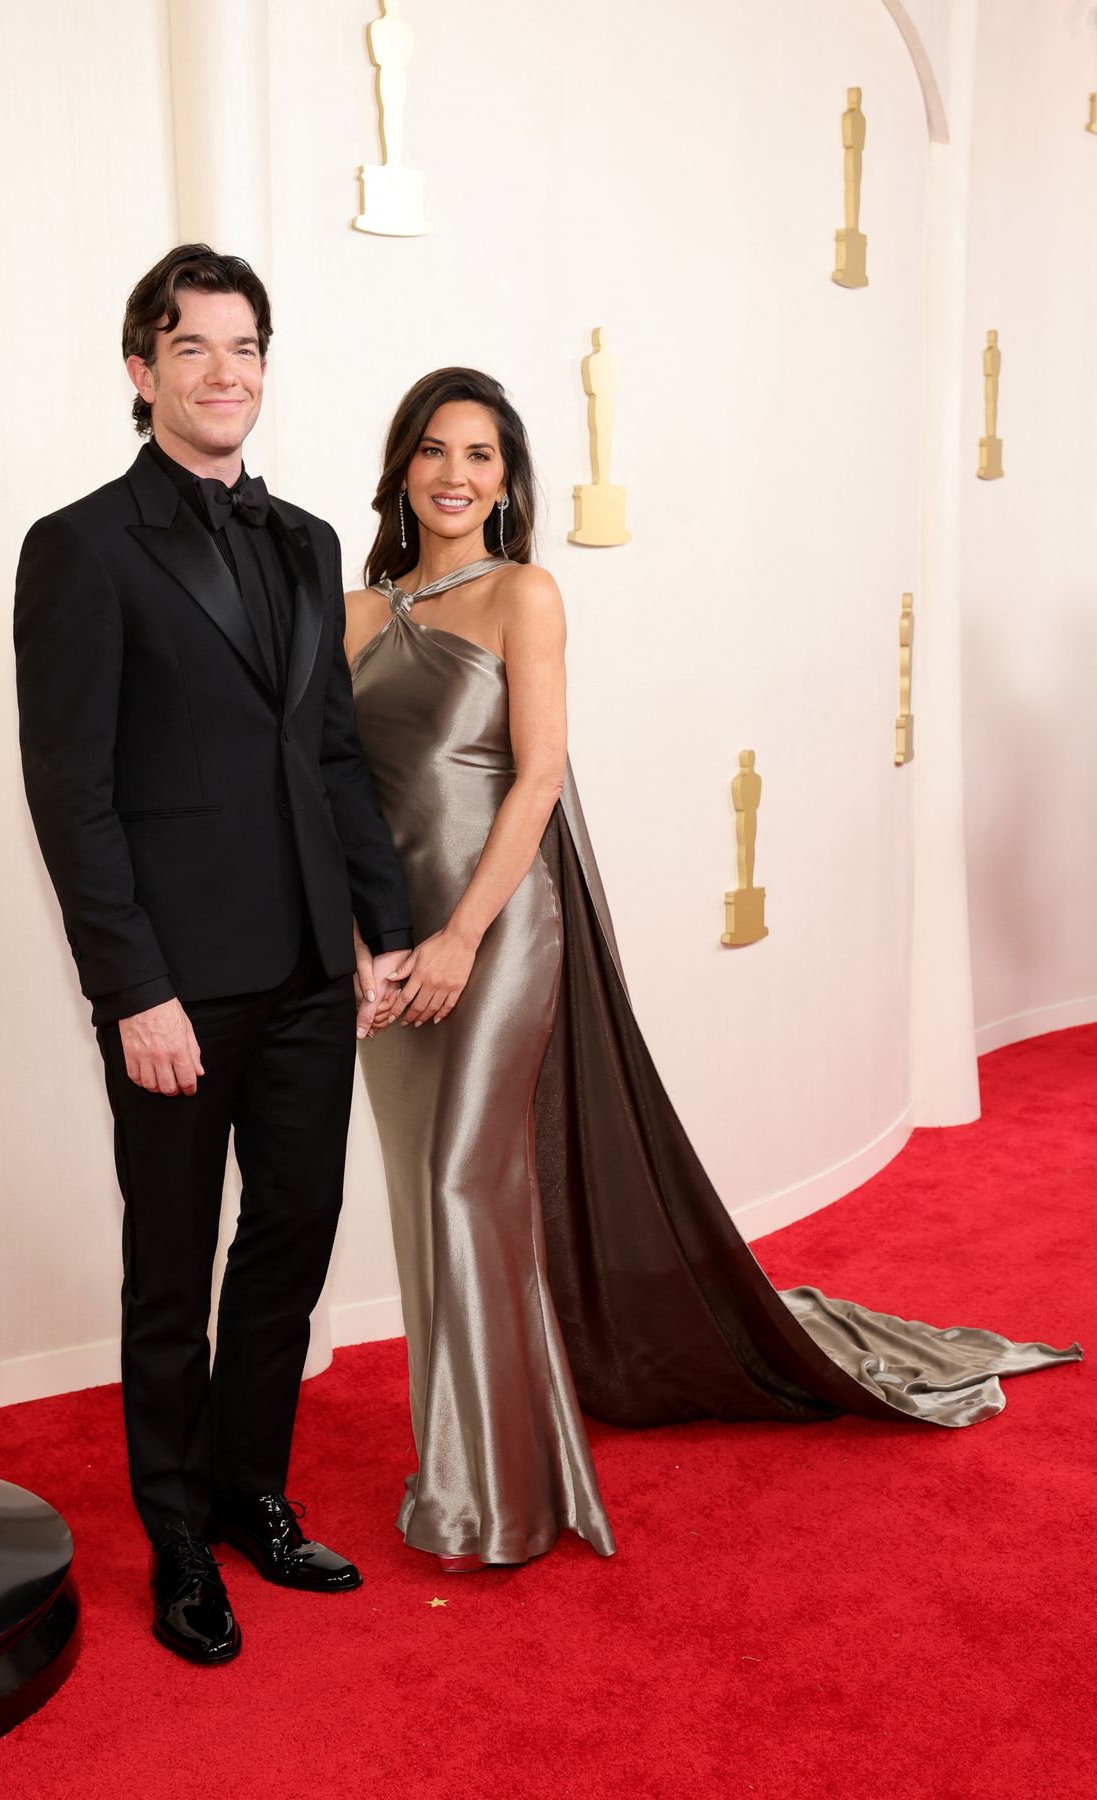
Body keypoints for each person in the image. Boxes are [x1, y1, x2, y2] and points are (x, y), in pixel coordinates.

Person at [344, 367, 1082, 1573]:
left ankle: (496, 1501)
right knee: (421, 1197)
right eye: (434, 450)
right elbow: (338, 798)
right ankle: (466, 1456)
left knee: (464, 1190)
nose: (455, 475)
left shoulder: (525, 595)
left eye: (480, 455)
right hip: (390, 947)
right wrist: (367, 947)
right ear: (401, 466)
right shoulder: (360, 616)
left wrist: (464, 936)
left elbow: (534, 780)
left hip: (498, 927)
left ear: (507, 480)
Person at [14, 245, 412, 1662]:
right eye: (195, 348)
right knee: (171, 1273)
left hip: (311, 969)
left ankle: (253, 1494)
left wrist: (383, 930)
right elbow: (72, 795)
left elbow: (331, 754)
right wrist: (133, 990)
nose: (227, 371)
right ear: (143, 371)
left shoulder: (308, 541)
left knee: (290, 1245)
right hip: (178, 989)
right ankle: (179, 1544)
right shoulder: (81, 548)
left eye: (247, 347)